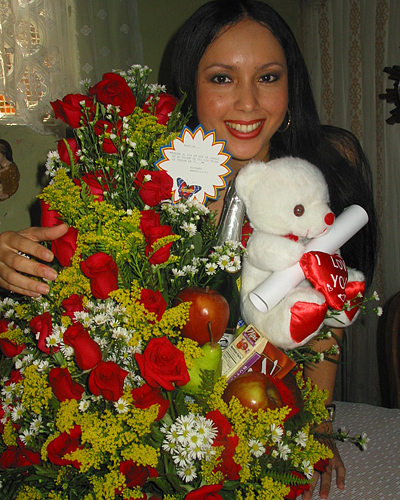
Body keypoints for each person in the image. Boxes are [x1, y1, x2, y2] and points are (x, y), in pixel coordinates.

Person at [0, 1, 377, 497]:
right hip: (164, 436)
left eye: (268, 77)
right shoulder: (146, 181)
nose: (248, 103)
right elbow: (87, 297)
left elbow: (327, 317)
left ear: (292, 84)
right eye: (222, 78)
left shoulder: (324, 169)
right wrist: (15, 258)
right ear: (190, 86)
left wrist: (318, 423)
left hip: (269, 422)